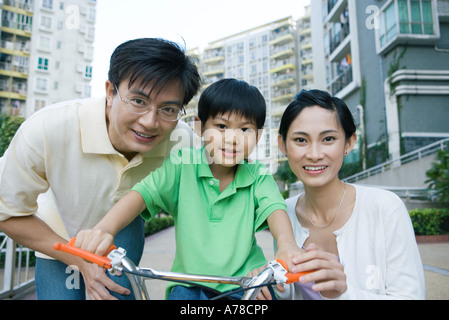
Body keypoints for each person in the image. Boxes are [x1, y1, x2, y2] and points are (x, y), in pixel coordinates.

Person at [0, 38, 201, 300]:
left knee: (117, 294)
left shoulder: (184, 143)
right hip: (58, 231)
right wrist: (79, 260)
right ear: (110, 92)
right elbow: (7, 213)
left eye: (168, 109)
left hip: (123, 229)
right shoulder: (47, 129)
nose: (150, 122)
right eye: (138, 101)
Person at [75, 78, 303, 300]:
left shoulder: (259, 176)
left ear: (258, 135)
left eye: (245, 130)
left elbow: (275, 210)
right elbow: (141, 194)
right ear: (200, 127)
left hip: (246, 282)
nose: (233, 139)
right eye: (221, 126)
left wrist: (287, 245)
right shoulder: (181, 165)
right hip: (188, 284)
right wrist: (104, 228)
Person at [273, 89, 425, 299]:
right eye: (300, 140)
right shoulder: (282, 214)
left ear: (349, 142)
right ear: (283, 145)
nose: (314, 154)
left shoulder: (385, 208)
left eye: (328, 139)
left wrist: (343, 294)